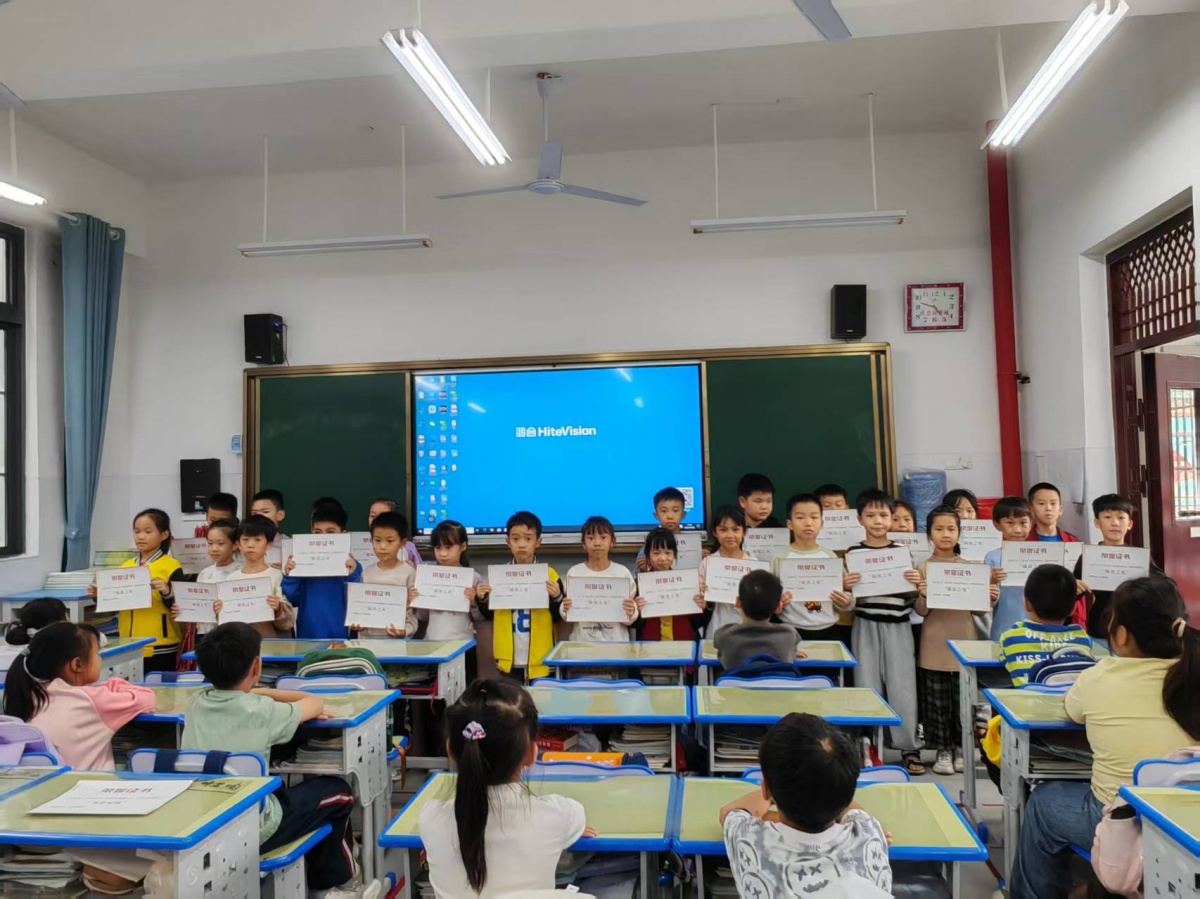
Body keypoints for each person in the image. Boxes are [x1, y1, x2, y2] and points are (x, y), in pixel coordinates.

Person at [1010, 577, 1200, 899]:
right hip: (1190, 824)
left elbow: (1071, 711)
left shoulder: (1099, 676)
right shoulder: (1193, 674)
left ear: (1121, 634)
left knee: (1044, 801)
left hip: (1121, 821)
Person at [184, 623, 379, 898]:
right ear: (256, 666)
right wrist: (262, 692)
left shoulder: (195, 704)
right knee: (338, 793)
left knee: (293, 793)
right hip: (255, 828)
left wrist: (249, 692)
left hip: (203, 821)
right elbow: (314, 702)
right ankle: (341, 883)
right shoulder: (262, 711)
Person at [418, 679, 593, 897]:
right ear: (531, 753)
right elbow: (576, 817)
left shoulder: (430, 819)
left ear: (450, 750)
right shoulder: (556, 816)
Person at [719, 713, 892, 897]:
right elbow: (851, 807)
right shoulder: (869, 834)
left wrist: (779, 790)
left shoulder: (750, 839)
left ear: (766, 789)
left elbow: (730, 812)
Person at [914, 507, 998, 775]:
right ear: (929, 534)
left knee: (963, 701)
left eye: (951, 529)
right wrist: (923, 594)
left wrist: (990, 597)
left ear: (959, 533)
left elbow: (979, 611)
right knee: (937, 703)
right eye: (939, 529)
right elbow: (921, 611)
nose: (945, 534)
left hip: (964, 644)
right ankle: (942, 750)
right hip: (933, 644)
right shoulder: (922, 567)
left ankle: (962, 748)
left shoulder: (971, 568)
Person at [3, 622, 155, 770]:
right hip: (90, 785)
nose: (99, 658)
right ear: (77, 665)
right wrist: (113, 683)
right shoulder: (90, 700)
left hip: (50, 784)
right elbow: (146, 698)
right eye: (96, 653)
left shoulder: (30, 693)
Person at [845, 489, 924, 775]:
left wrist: (915, 584)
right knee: (866, 684)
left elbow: (914, 597)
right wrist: (845, 586)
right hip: (865, 624)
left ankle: (908, 747)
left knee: (903, 686)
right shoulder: (853, 553)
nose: (877, 521)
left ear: (892, 518)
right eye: (870, 515)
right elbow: (849, 599)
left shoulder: (902, 552)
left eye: (883, 515)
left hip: (899, 625)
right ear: (859, 519)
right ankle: (866, 745)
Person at [86, 509, 183, 673]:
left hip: (160, 643)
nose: (141, 537)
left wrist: (167, 592)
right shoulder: (127, 565)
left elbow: (181, 607)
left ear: (164, 534)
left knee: (158, 686)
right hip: (128, 642)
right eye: (137, 531)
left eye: (148, 532)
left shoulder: (171, 566)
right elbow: (116, 602)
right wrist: (100, 596)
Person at [476, 512, 563, 682]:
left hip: (541, 659)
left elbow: (558, 616)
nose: (521, 544)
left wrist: (557, 597)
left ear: (538, 542)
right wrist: (482, 599)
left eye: (528, 539)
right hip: (508, 660)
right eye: (516, 539)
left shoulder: (550, 575)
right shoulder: (499, 576)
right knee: (512, 698)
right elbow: (489, 615)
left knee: (541, 698)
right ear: (508, 542)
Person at [1073, 493, 1165, 642]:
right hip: (1100, 628)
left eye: (1121, 517)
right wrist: (1074, 586)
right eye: (1107, 517)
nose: (1115, 523)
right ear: (1097, 523)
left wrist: (1147, 586)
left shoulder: (1138, 557)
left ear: (1130, 524)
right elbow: (1072, 592)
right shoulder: (1089, 557)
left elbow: (1165, 584)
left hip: (1135, 628)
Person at [770, 493, 853, 647]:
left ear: (822, 523)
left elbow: (846, 594)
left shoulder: (829, 556)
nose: (808, 523)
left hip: (828, 628)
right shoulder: (780, 557)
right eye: (800, 517)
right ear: (789, 524)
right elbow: (770, 596)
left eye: (814, 517)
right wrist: (775, 603)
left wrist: (846, 601)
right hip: (790, 629)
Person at [998, 564, 1096, 687]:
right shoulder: (1082, 639)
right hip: (1071, 698)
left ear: (1026, 603)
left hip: (1029, 699)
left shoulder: (1011, 638)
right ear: (1073, 609)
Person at [283, 500, 362, 639]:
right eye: (317, 532)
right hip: (308, 637)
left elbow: (358, 603)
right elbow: (292, 599)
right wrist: (290, 576)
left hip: (342, 638)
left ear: (343, 534)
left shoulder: (353, 566)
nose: (323, 537)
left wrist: (353, 574)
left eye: (330, 532)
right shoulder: (302, 563)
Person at [410, 520, 487, 647]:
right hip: (432, 642)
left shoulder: (473, 577)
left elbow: (480, 619)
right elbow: (423, 616)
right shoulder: (428, 577)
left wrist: (474, 603)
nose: (443, 553)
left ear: (463, 546)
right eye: (438, 547)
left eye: (448, 547)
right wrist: (415, 600)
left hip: (463, 644)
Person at [562, 516, 638, 642]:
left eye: (603, 537)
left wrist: (632, 611)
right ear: (583, 544)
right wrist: (564, 609)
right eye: (591, 538)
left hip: (616, 646)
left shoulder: (622, 573)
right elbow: (568, 615)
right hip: (582, 645)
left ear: (612, 542)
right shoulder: (574, 573)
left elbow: (630, 617)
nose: (597, 543)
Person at [221, 515, 296, 638]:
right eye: (245, 540)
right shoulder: (231, 579)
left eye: (257, 540)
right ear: (238, 544)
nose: (250, 545)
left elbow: (288, 622)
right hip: (240, 642)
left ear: (268, 545)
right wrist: (219, 611)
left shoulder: (277, 576)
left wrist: (278, 608)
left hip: (270, 643)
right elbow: (227, 620)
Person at [172, 517, 242, 651]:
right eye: (210, 543)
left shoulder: (240, 572)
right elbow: (196, 604)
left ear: (234, 545)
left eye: (220, 543)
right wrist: (183, 609)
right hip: (205, 633)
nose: (214, 549)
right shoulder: (204, 573)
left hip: (232, 634)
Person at [713, 570, 799, 670]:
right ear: (779, 607)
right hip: (775, 680)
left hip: (739, 681)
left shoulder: (724, 635)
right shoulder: (789, 635)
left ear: (737, 602)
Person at [352, 511, 418, 638]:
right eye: (377, 540)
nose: (382, 546)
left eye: (390, 541)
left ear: (402, 543)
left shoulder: (409, 573)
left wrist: (405, 631)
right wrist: (358, 624)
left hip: (398, 643)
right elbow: (361, 610)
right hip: (368, 643)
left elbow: (413, 614)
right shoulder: (366, 573)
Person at [634, 528, 707, 642]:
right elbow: (633, 624)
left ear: (674, 554)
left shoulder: (687, 583)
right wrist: (636, 611)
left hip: (684, 643)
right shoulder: (639, 584)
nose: (663, 558)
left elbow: (698, 622)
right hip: (650, 645)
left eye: (668, 553)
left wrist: (702, 607)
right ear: (648, 555)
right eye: (656, 553)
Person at [983, 496, 1034, 639]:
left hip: (1036, 629)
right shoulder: (992, 557)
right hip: (1004, 627)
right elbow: (986, 602)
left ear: (1031, 524)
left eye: (1023, 523)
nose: (1017, 529)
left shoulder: (1041, 555)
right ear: (997, 525)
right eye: (1010, 523)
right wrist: (993, 581)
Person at [699, 506, 755, 636]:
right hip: (718, 627)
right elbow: (701, 603)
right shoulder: (708, 563)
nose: (730, 535)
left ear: (744, 531)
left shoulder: (754, 563)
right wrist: (702, 595)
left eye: (735, 529)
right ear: (715, 532)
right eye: (723, 530)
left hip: (749, 630)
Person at [636, 486, 699, 571]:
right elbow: (643, 577)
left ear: (683, 514)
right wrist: (644, 569)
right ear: (656, 515)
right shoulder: (646, 549)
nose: (670, 516)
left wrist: (701, 558)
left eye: (675, 510)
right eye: (664, 511)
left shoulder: (693, 546)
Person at [368, 498, 422, 568]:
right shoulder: (360, 543)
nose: (377, 519)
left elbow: (420, 570)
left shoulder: (408, 547)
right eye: (372, 516)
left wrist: (413, 569)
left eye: (383, 516)